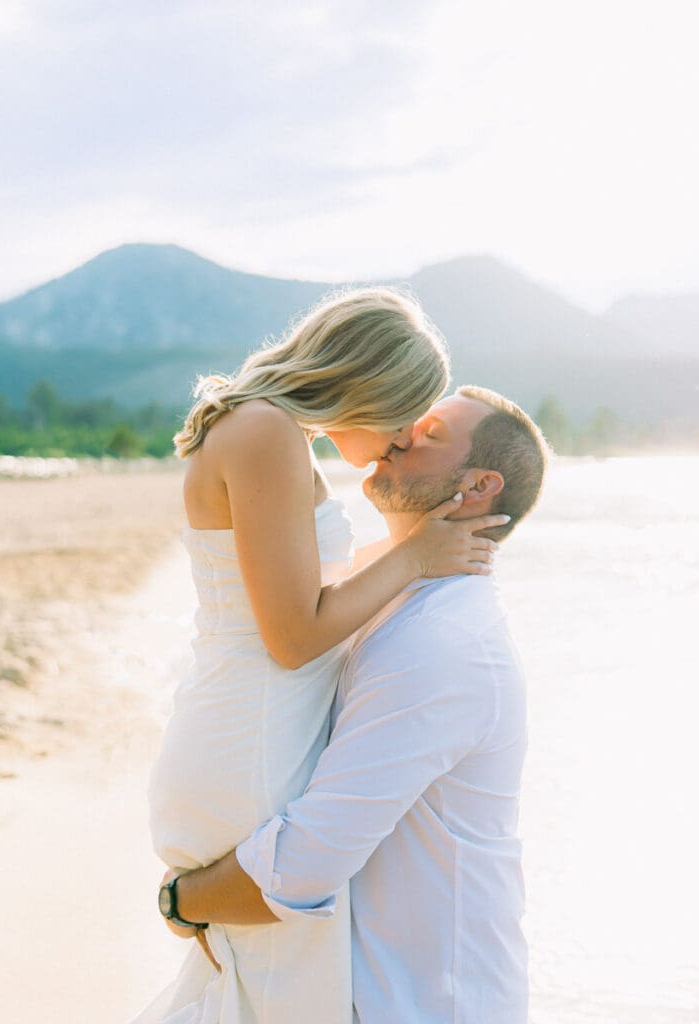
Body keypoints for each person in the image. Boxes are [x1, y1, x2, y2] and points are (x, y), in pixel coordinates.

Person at [132, 291, 510, 1024]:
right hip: (254, 740)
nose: (401, 442)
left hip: (250, 723)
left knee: (263, 991)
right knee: (281, 998)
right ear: (369, 388)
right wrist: (414, 558)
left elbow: (301, 592)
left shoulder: (266, 431)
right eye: (405, 419)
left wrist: (418, 554)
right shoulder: (267, 433)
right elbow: (295, 635)